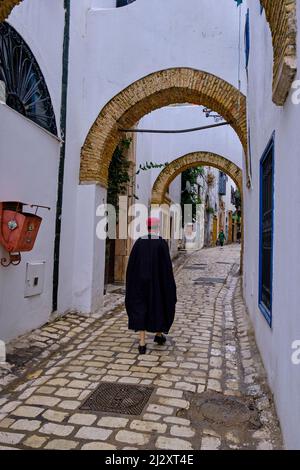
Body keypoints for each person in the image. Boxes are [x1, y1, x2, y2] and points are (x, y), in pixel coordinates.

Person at [125, 217, 177, 354]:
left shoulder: (139, 243)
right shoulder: (161, 243)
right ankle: (158, 335)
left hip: (140, 283)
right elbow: (166, 268)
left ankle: (142, 344)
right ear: (157, 227)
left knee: (141, 308)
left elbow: (131, 266)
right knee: (159, 306)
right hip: (157, 284)